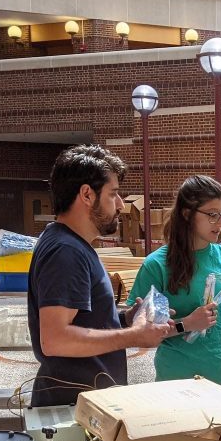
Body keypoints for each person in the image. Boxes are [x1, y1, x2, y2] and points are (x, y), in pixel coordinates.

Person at [27, 144, 174, 406]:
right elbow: (55, 339)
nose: (120, 205)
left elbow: (80, 321)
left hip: (82, 403)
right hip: (73, 409)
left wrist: (123, 320)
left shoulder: (70, 244)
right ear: (86, 194)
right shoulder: (66, 251)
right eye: (113, 194)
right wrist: (134, 336)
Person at [128, 175, 221, 387]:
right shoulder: (157, 265)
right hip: (175, 381)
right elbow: (141, 335)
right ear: (187, 214)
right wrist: (187, 324)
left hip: (220, 378)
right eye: (212, 215)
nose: (220, 223)